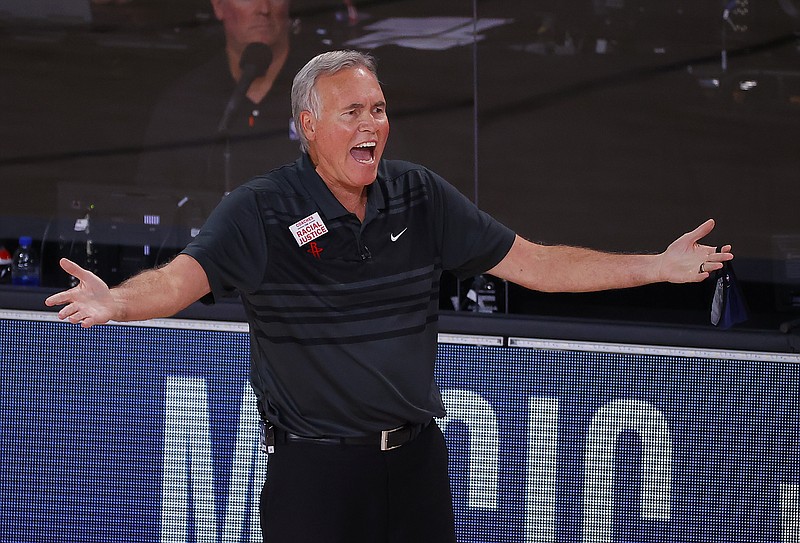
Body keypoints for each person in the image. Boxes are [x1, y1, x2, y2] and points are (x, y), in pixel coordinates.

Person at [46, 50, 734, 543]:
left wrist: (657, 265)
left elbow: (538, 263)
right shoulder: (259, 209)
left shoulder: (420, 194)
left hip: (414, 467)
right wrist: (119, 302)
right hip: (314, 475)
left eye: (378, 109)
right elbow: (179, 279)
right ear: (308, 125)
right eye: (352, 112)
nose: (372, 124)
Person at [135, 0, 312, 194]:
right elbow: (152, 203)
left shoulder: (325, 91)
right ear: (218, 6)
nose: (263, 9)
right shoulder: (185, 101)